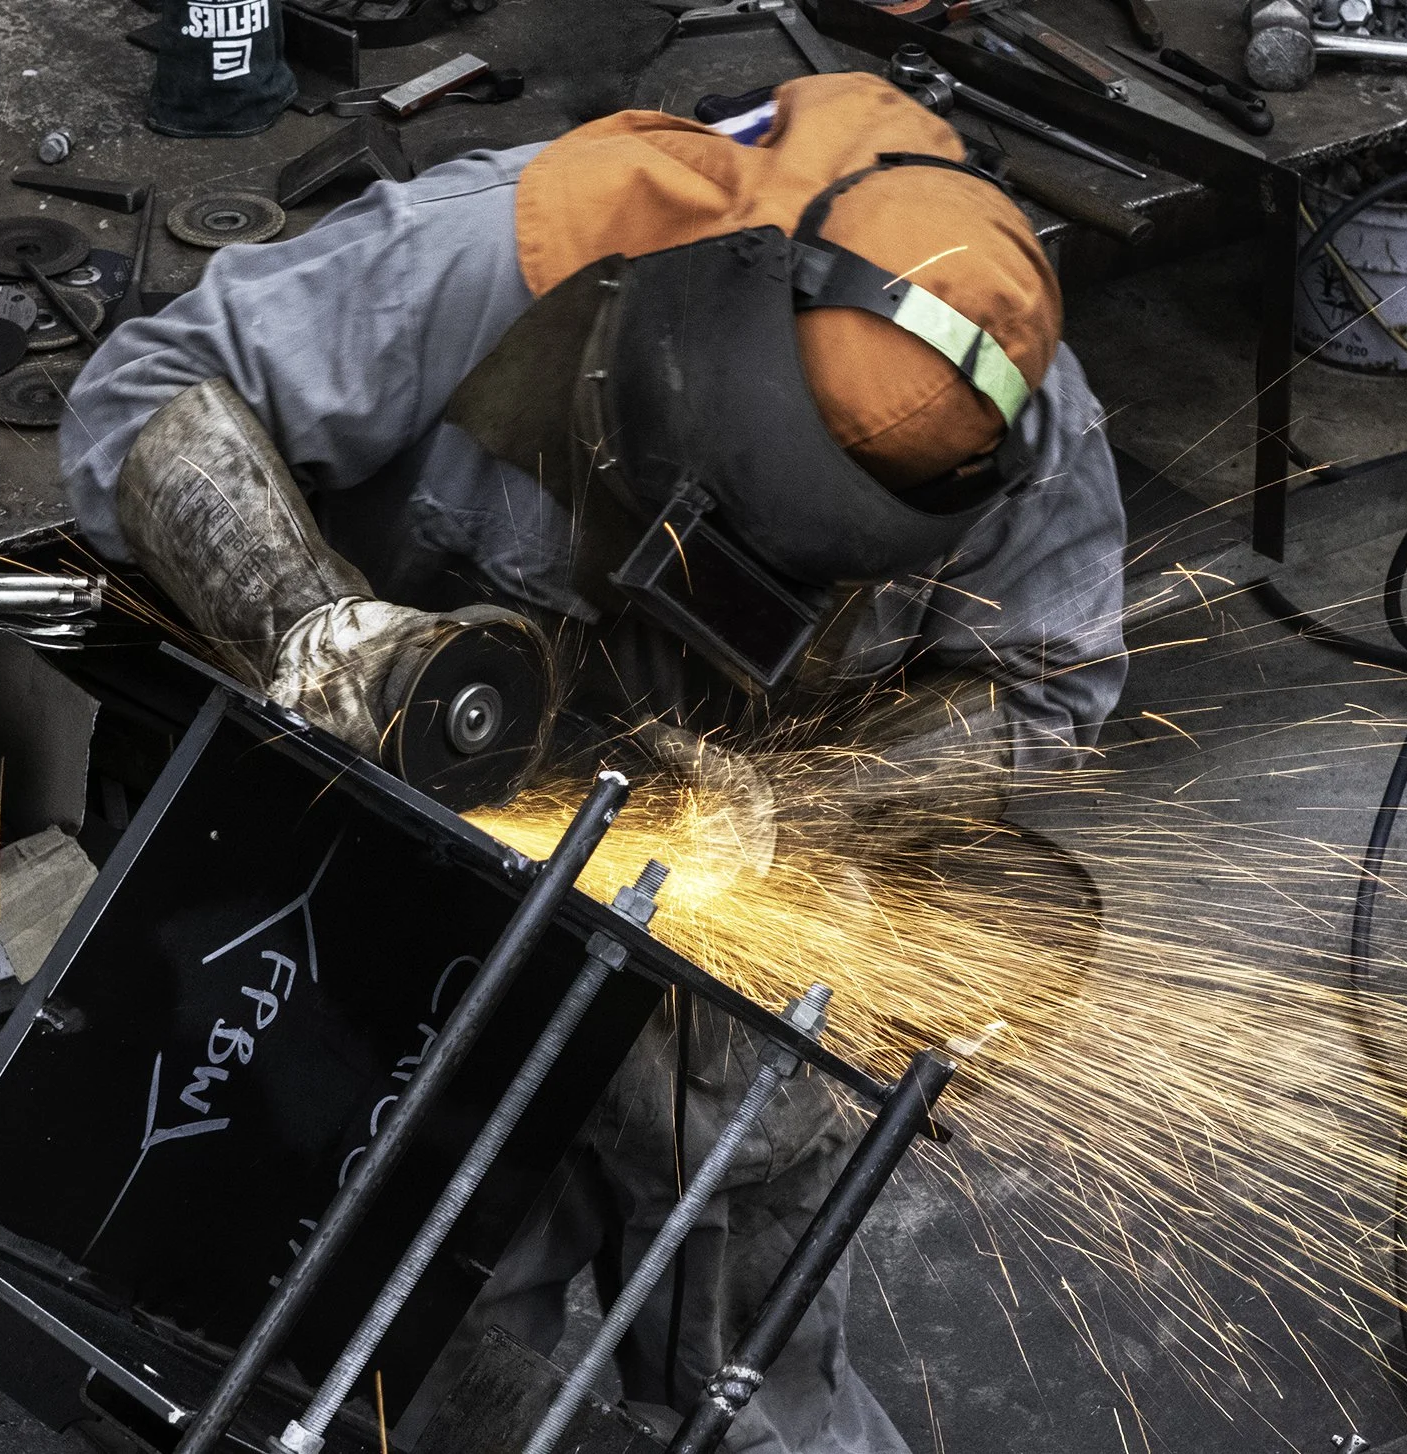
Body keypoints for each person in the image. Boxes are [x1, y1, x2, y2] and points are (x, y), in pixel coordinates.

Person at [60, 72, 1127, 1454]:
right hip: (402, 861)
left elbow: (1045, 692)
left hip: (729, 914)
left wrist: (803, 801)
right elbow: (142, 399)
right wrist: (315, 624)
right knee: (430, 1311)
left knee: (754, 1304)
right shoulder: (509, 252)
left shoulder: (1015, 407)